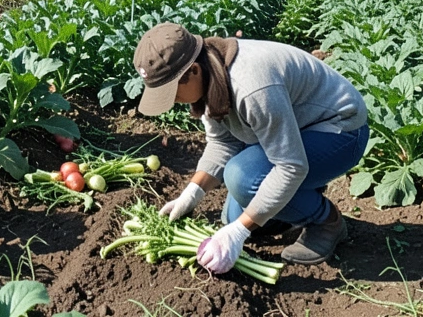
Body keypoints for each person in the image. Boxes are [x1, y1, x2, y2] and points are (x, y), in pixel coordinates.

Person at [132, 23, 369, 274]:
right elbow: (223, 142)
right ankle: (292, 205)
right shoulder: (212, 74)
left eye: (172, 92)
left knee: (243, 179)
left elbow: (291, 166)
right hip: (297, 131)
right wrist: (192, 193)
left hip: (340, 131)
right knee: (234, 216)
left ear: (193, 71)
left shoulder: (252, 87)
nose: (172, 101)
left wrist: (240, 231)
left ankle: (327, 221)